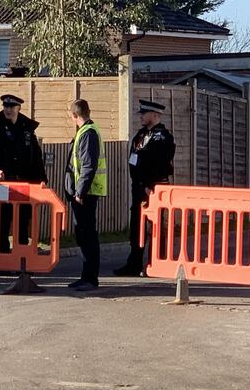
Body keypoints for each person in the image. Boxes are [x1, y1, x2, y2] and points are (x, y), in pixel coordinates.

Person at [115, 99, 176, 276]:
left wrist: (150, 185)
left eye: (144, 114)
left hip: (156, 188)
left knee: (156, 227)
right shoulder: (140, 135)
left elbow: (162, 164)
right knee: (137, 226)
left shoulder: (163, 137)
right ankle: (133, 264)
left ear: (155, 115)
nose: (141, 116)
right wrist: (140, 184)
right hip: (139, 187)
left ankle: (157, 263)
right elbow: (134, 160)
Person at [0, 94, 47, 252]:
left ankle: (21, 260)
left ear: (18, 108)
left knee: (22, 223)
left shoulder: (27, 128)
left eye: (11, 107)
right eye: (5, 106)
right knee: (2, 224)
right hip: (3, 184)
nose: (8, 110)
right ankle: (2, 260)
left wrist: (41, 180)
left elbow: (36, 157)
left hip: (23, 184)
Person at [65, 99, 107, 292]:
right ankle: (86, 277)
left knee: (87, 235)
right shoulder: (87, 131)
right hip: (84, 192)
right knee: (84, 235)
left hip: (86, 193)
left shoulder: (88, 133)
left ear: (75, 115)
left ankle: (90, 278)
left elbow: (88, 166)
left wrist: (80, 191)